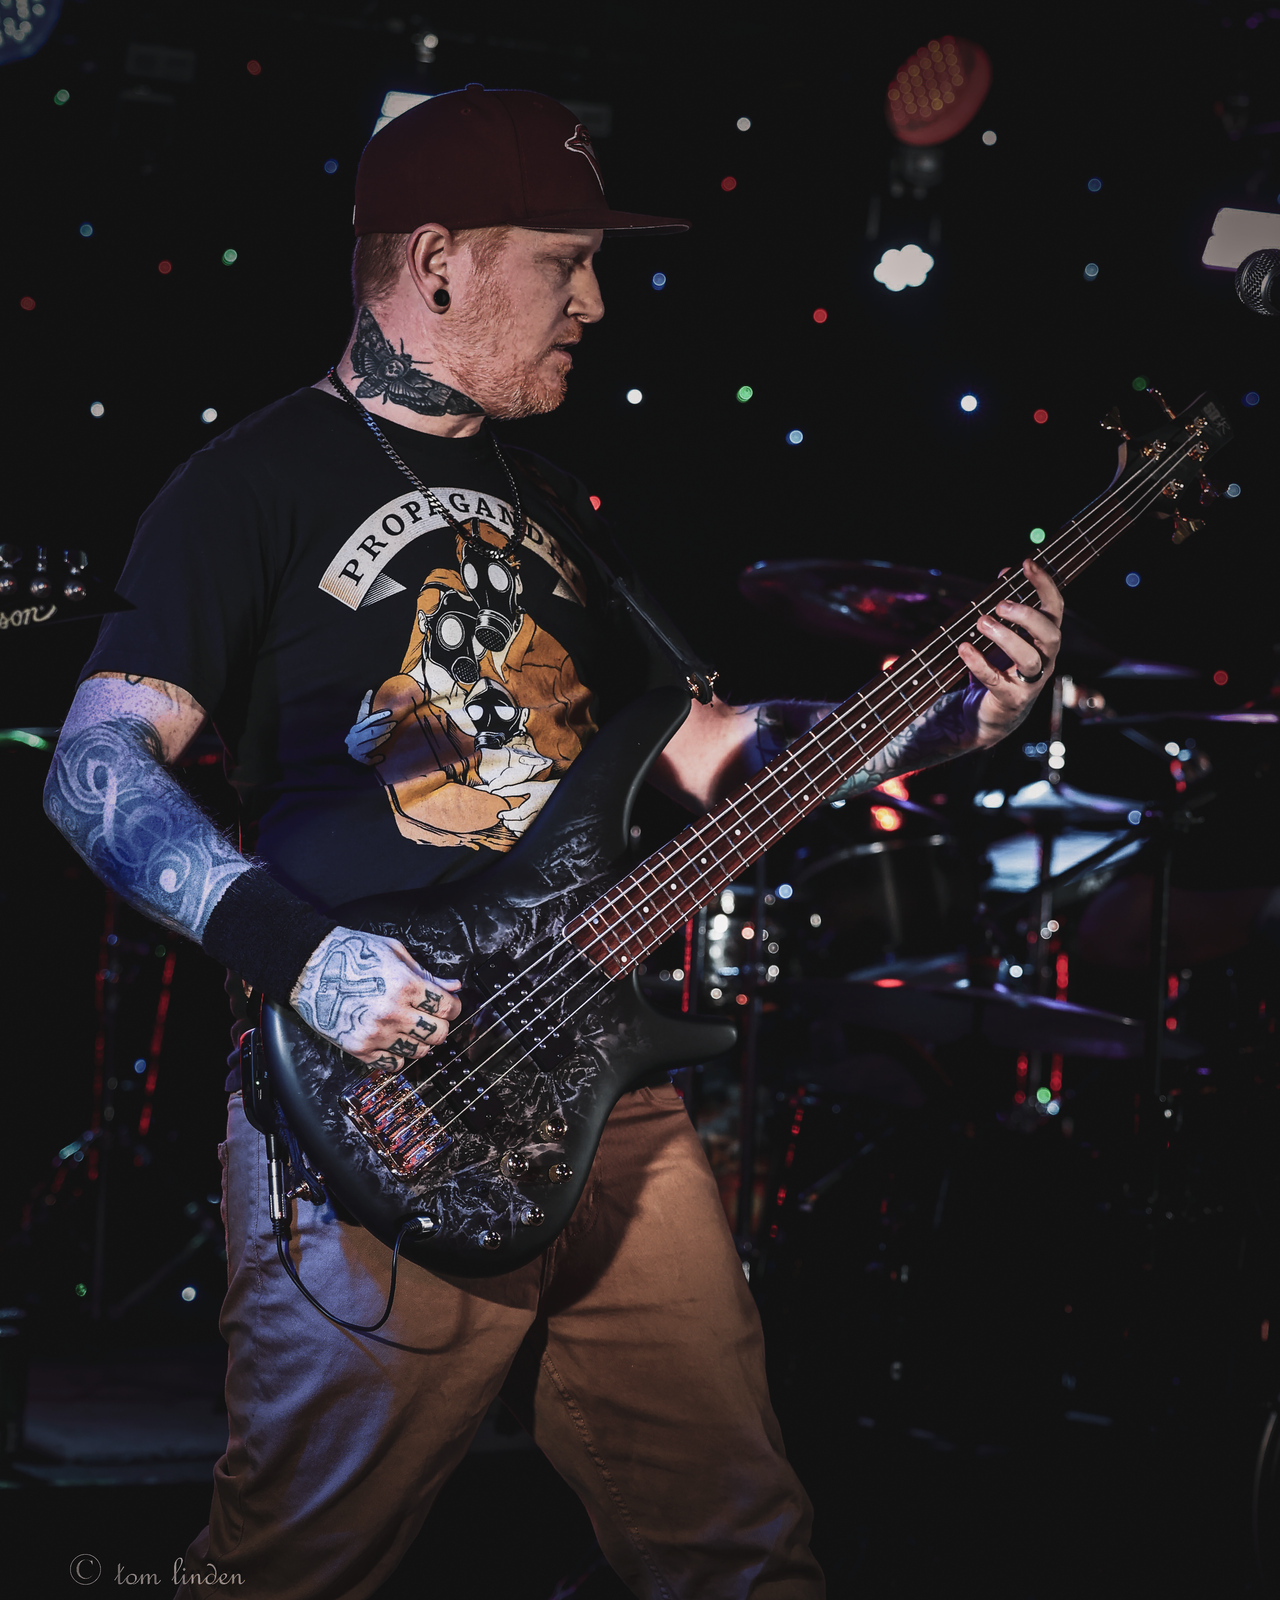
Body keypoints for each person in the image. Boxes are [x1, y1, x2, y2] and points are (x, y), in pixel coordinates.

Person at [43, 85, 1062, 1600]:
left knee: (739, 1544)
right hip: (377, 1103)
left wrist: (946, 721)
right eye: (565, 263)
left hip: (604, 1094)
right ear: (438, 262)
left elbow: (713, 751)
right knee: (293, 1567)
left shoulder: (559, 505)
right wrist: (303, 957)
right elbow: (91, 772)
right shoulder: (247, 484)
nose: (595, 302)